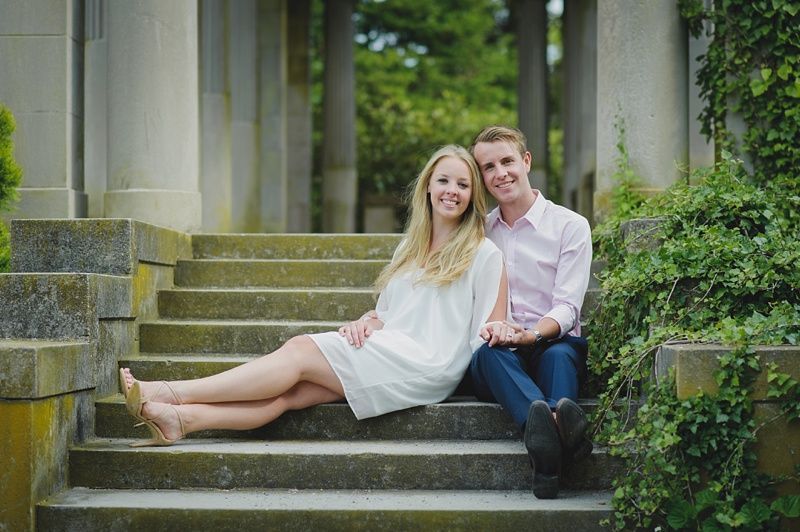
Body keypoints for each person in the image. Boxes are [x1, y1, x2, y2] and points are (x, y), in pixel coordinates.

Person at [119, 145, 508, 447]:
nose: (452, 192)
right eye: (444, 181)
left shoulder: (483, 253)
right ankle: (182, 422)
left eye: (462, 184)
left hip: (429, 363)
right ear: (427, 186)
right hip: (392, 345)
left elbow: (486, 333)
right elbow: (390, 311)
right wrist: (366, 321)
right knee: (293, 394)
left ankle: (170, 391)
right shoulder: (408, 246)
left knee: (301, 349)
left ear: (473, 195)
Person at [468, 125, 593, 499]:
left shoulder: (570, 226)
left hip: (550, 343)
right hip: (500, 355)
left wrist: (534, 334)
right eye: (489, 167)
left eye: (507, 161)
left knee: (558, 354)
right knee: (489, 355)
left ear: (526, 161)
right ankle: (562, 428)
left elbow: (568, 306)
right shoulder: (478, 233)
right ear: (482, 177)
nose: (500, 173)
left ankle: (546, 458)